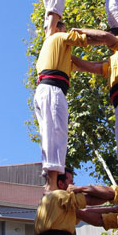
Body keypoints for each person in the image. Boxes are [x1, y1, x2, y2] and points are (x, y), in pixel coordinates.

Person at [70, 28, 118, 192]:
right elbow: (92, 66)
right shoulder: (113, 60)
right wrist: (68, 55)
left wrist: (79, 31)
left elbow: (105, 37)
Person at [34, 23, 89, 191]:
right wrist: (112, 40)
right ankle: (51, 184)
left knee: (53, 134)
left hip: (49, 90)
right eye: (65, 29)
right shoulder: (57, 37)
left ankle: (52, 182)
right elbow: (84, 39)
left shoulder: (60, 55)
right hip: (52, 89)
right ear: (59, 29)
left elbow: (85, 65)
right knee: (55, 134)